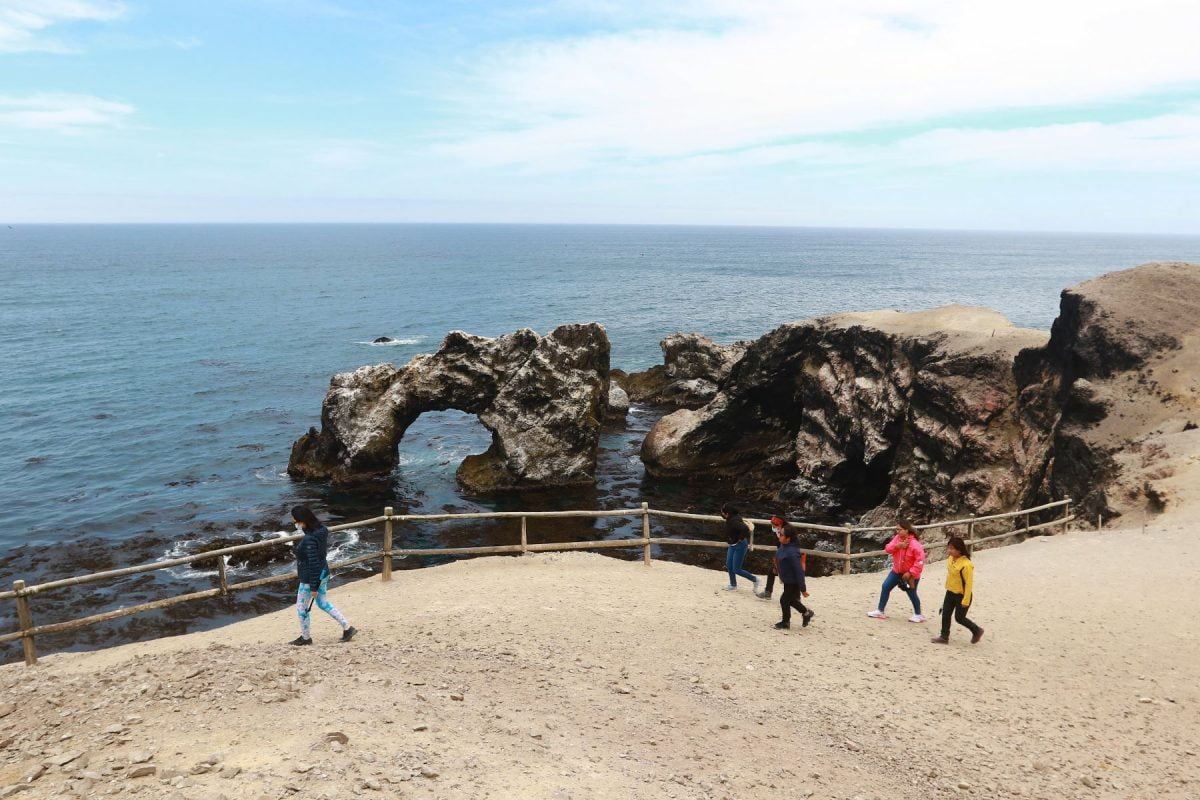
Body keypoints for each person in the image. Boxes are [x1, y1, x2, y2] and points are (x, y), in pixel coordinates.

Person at [290, 505, 357, 646]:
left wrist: (313, 587)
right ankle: (347, 628)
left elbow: (312, 563)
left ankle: (306, 638)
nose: (295, 524)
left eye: (295, 521)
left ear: (303, 521)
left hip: (310, 578)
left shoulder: (309, 539)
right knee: (323, 603)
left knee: (302, 608)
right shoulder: (321, 530)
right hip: (323, 573)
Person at [866, 519, 926, 622]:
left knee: (912, 593)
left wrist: (910, 572)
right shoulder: (897, 539)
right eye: (896, 529)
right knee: (885, 586)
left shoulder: (915, 544)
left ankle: (918, 614)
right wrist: (897, 546)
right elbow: (888, 549)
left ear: (907, 530)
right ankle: (880, 611)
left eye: (899, 529)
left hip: (910, 575)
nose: (897, 532)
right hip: (896, 571)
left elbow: (920, 561)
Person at [931, 535, 984, 645]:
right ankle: (944, 637)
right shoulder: (950, 559)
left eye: (952, 548)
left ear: (959, 550)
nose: (949, 551)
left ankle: (977, 630)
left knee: (959, 618)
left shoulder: (966, 565)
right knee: (945, 614)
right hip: (950, 591)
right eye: (949, 548)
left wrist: (965, 600)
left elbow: (969, 584)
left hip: (962, 594)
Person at [773, 523, 815, 629]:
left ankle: (785, 622)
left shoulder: (792, 553)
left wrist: (803, 589)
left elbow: (799, 571)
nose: (779, 535)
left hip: (793, 581)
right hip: (787, 580)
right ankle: (806, 613)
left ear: (788, 539)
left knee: (784, 600)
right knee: (791, 600)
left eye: (782, 534)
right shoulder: (784, 546)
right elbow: (779, 558)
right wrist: (776, 569)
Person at [756, 515, 806, 600]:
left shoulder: (787, 533)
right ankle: (768, 592)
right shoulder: (780, 531)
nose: (773, 527)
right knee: (771, 571)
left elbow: (792, 547)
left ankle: (797, 597)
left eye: (774, 525)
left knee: (793, 576)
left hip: (788, 558)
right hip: (783, 556)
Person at [718, 503, 759, 593]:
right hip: (733, 545)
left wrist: (739, 539)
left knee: (737, 569)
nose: (721, 514)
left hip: (740, 545)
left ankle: (755, 580)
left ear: (727, 514)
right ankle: (733, 585)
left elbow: (745, 528)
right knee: (729, 565)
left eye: (722, 513)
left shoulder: (734, 521)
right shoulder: (732, 518)